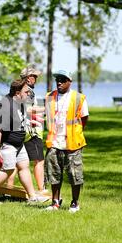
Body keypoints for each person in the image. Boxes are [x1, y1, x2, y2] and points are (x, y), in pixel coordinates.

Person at [0, 79, 48, 204]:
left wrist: (32, 120)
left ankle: (32, 197)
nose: (29, 93)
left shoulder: (20, 102)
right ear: (17, 93)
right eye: (27, 91)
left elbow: (21, 117)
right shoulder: (6, 106)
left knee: (23, 166)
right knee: (7, 168)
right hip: (5, 143)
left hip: (17, 142)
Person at [44, 70, 89, 213]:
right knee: (54, 174)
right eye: (57, 79)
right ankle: (55, 202)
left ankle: (75, 203)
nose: (59, 82)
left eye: (63, 80)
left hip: (72, 143)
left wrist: (75, 132)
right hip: (54, 141)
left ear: (70, 81)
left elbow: (84, 118)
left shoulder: (78, 98)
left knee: (75, 175)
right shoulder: (49, 97)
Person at [6, 66, 47, 194]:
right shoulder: (28, 91)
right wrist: (48, 108)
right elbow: (28, 110)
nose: (36, 79)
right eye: (35, 76)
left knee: (14, 162)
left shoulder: (18, 90)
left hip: (18, 130)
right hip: (30, 132)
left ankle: (8, 189)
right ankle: (41, 189)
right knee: (39, 161)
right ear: (29, 78)